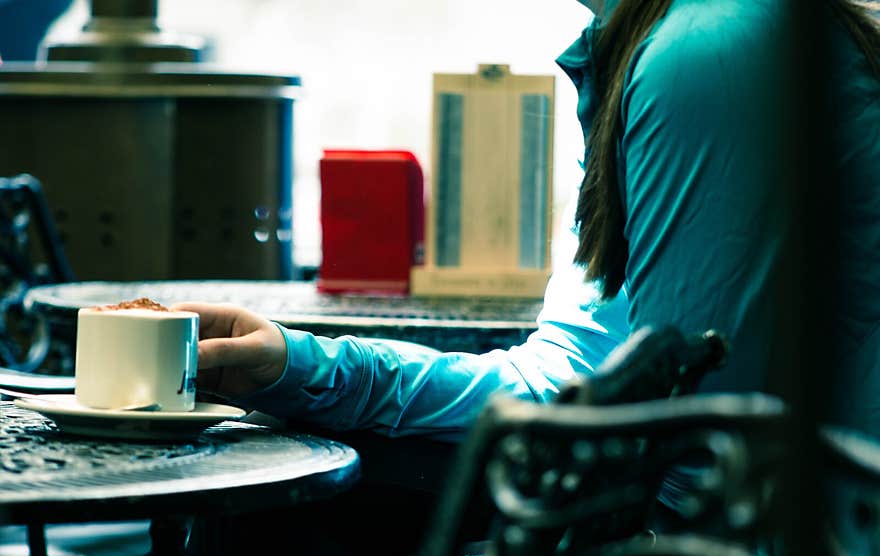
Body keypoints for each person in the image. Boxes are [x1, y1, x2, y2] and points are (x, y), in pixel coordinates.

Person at [176, 0, 880, 450]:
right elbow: (559, 377)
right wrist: (298, 365)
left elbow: (689, 450)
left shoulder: (709, 50)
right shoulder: (650, 47)